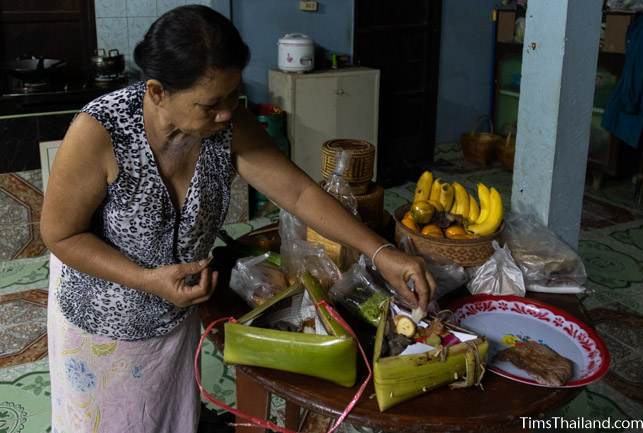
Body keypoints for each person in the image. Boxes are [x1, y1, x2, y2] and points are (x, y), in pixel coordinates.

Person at [41, 5, 435, 433]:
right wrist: (145, 280)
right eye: (211, 104)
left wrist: (381, 252)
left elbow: (299, 192)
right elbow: (61, 234)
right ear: (156, 91)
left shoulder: (228, 126)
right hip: (103, 325)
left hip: (173, 318)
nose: (228, 113)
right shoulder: (101, 131)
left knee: (167, 418)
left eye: (233, 95)